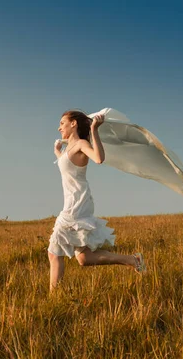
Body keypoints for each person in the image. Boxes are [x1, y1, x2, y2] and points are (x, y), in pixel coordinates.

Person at [48, 110, 146, 291]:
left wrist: (94, 130)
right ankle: (133, 260)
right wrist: (57, 153)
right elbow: (68, 166)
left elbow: (99, 158)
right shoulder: (69, 148)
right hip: (75, 202)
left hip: (76, 205)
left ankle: (53, 299)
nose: (59, 127)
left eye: (62, 123)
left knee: (54, 254)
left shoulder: (82, 143)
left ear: (73, 123)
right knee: (84, 259)